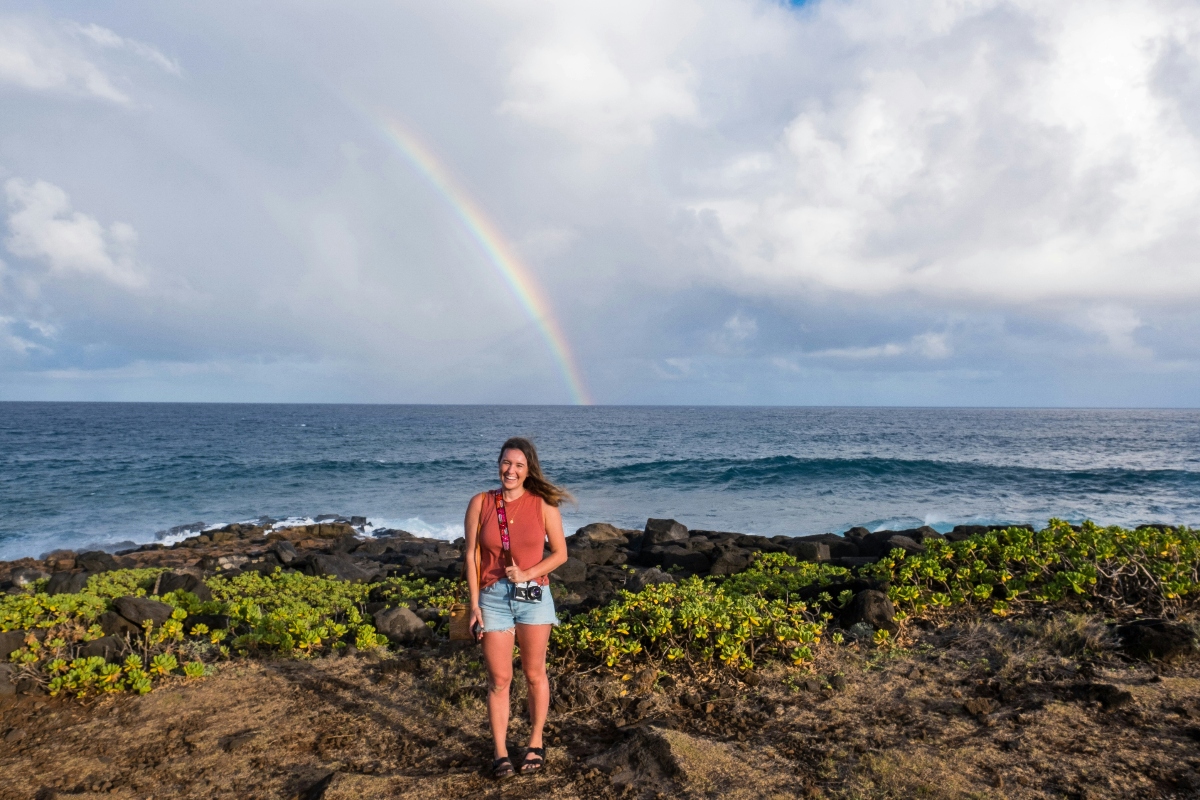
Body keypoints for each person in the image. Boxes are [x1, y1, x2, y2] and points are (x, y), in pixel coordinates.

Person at [464, 437, 570, 779]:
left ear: (528, 470)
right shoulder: (481, 502)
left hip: (534, 596)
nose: (511, 470)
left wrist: (527, 572)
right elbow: (472, 555)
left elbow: (560, 554)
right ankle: (500, 752)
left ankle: (535, 742)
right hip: (492, 597)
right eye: (507, 463)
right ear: (499, 464)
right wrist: (473, 605)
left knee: (534, 673)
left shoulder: (543, 504)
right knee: (499, 679)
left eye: (519, 465)